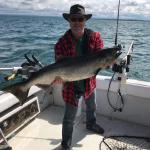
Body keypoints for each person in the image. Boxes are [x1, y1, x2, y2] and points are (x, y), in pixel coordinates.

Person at [54, 4, 104, 150]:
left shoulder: (95, 37)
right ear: (69, 21)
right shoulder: (61, 42)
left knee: (91, 106)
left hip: (89, 83)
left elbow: (101, 56)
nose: (77, 22)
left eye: (80, 19)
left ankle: (91, 123)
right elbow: (58, 64)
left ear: (85, 20)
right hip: (70, 86)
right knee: (69, 118)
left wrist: (107, 62)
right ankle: (66, 142)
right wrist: (58, 78)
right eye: (73, 19)